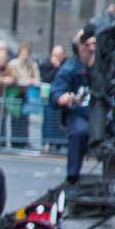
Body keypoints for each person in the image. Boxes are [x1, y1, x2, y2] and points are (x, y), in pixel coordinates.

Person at [49, 32, 94, 183]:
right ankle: (73, 176)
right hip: (79, 114)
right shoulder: (69, 69)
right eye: (88, 45)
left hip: (103, 114)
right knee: (79, 132)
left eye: (94, 44)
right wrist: (61, 98)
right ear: (79, 47)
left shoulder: (104, 66)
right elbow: (55, 93)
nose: (92, 49)